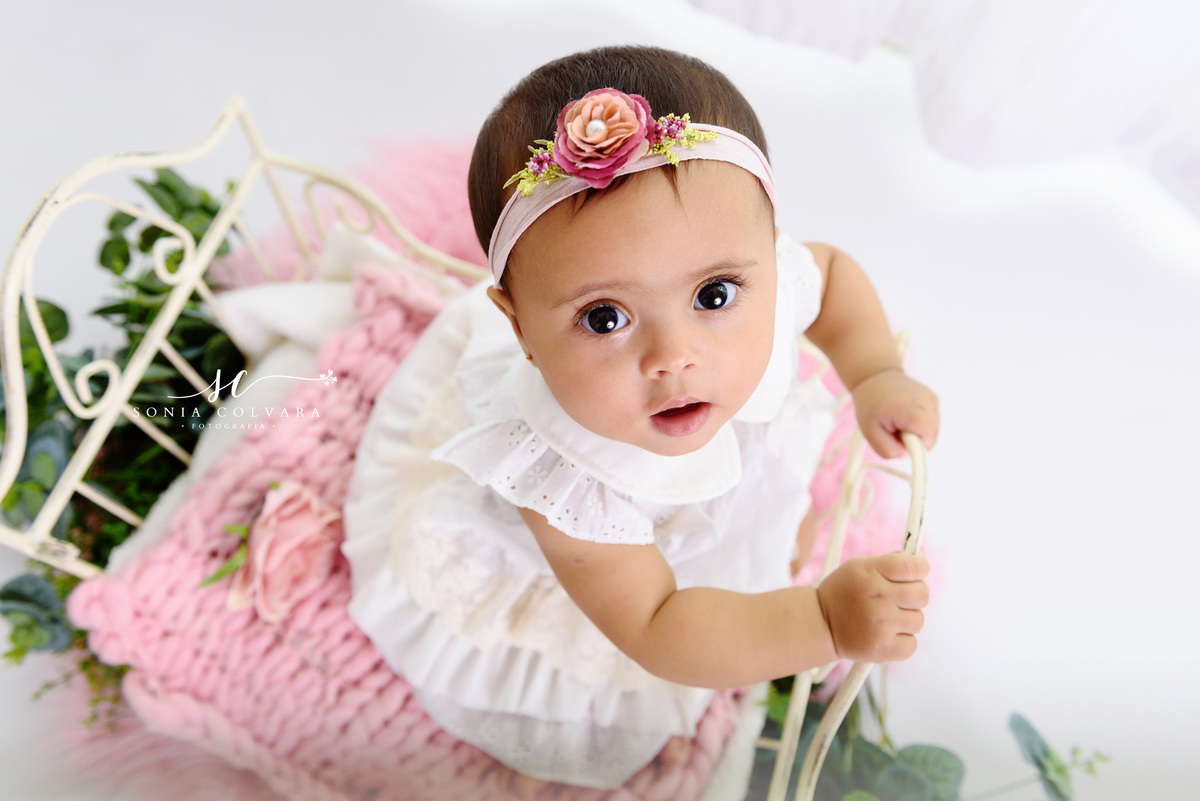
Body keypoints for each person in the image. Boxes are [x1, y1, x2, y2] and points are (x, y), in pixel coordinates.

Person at [341, 44, 939, 791]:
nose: (674, 356)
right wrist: (819, 621)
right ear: (520, 328)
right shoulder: (561, 476)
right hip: (600, 574)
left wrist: (875, 370)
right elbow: (656, 622)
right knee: (584, 675)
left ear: (765, 252)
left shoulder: (770, 277)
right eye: (605, 317)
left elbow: (838, 279)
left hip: (672, 492)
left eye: (714, 296)